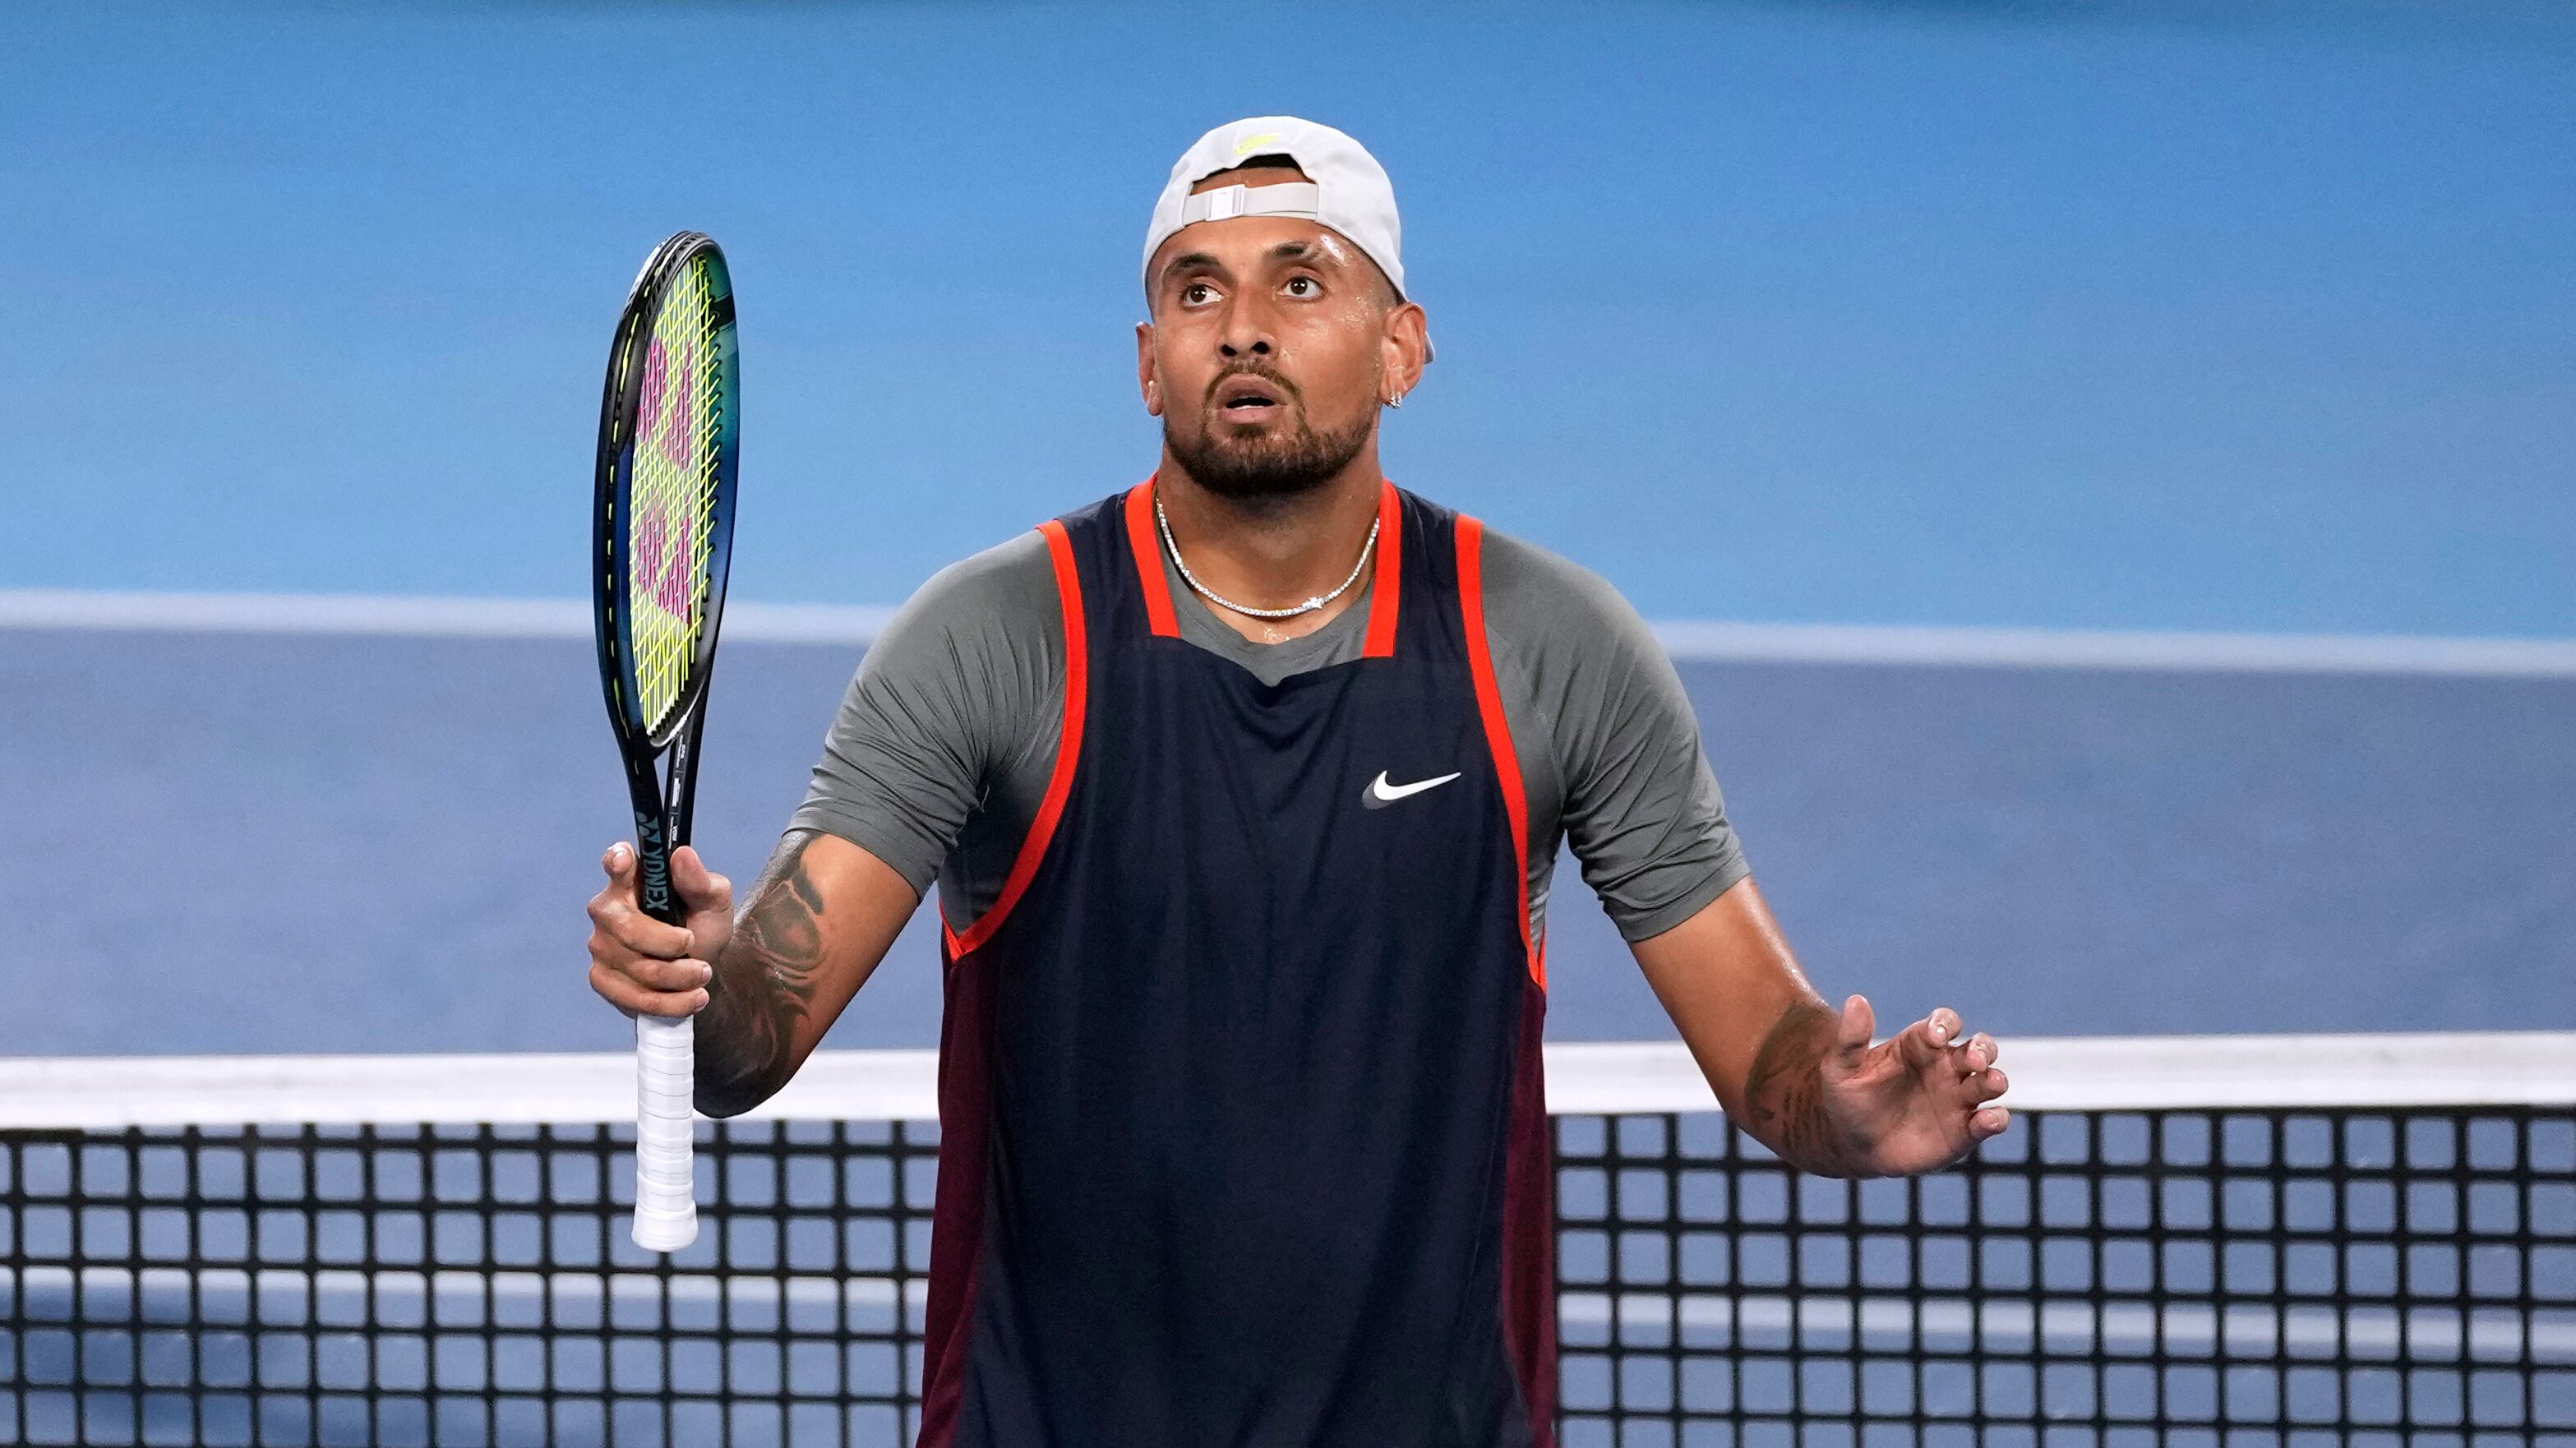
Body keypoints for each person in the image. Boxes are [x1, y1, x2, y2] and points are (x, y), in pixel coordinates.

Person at [585, 116, 2008, 1448]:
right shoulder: (994, 639)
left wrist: (1844, 1108)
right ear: (1148, 364)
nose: (1244, 325)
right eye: (1196, 291)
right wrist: (696, 981)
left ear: (1401, 348)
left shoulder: (1548, 647)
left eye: (1302, 280)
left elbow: (1768, 1054)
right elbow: (750, 1042)